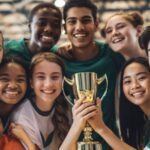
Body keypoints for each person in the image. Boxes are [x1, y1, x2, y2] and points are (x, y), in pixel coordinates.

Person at [51, 0, 125, 149]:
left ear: (96, 24)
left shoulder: (113, 55)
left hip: (109, 144)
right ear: (65, 27)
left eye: (86, 20)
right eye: (72, 21)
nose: (79, 27)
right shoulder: (55, 59)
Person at [60, 57, 150, 150]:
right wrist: (78, 125)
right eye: (127, 81)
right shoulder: (141, 122)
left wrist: (101, 128)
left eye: (141, 78)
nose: (135, 86)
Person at [11, 52, 71, 150]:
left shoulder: (67, 109)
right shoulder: (22, 115)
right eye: (41, 77)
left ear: (63, 81)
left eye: (55, 77)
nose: (48, 84)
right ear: (31, 82)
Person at [0, 55, 34, 150]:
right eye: (5, 79)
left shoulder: (25, 113)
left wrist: (25, 139)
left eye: (20, 80)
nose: (13, 86)